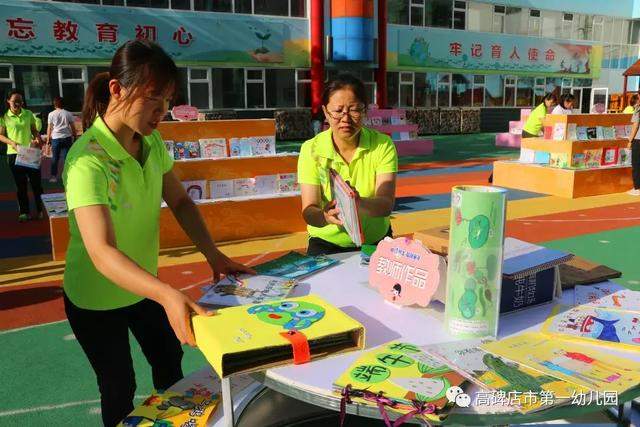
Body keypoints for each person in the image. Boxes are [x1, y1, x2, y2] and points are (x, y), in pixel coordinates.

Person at [62, 40, 254, 427]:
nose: (162, 112)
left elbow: (181, 202)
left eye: (167, 101)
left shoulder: (151, 142)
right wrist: (169, 294)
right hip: (95, 299)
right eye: (154, 99)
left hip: (143, 286)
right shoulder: (86, 161)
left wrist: (213, 255)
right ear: (116, 90)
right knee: (118, 385)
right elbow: (101, 253)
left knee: (169, 359)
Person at [297, 74, 397, 256]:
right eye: (337, 111)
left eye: (354, 110)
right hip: (326, 243)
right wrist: (324, 216)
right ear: (326, 112)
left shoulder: (383, 145)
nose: (346, 119)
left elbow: (385, 204)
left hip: (375, 241)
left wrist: (358, 203)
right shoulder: (311, 150)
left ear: (365, 111)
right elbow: (309, 210)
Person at [0, 90, 45, 222]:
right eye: (15, 101)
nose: (18, 103)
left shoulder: (28, 114)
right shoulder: (4, 117)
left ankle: (41, 210)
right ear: (8, 101)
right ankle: (24, 212)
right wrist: (12, 142)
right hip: (14, 154)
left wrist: (38, 139)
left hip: (30, 152)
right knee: (21, 185)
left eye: (20, 101)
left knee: (36, 184)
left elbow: (34, 131)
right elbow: (1, 135)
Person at [46, 96, 77, 183]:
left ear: (54, 104)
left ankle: (53, 177)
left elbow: (49, 128)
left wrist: (48, 139)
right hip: (67, 137)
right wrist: (75, 136)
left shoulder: (51, 114)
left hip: (55, 138)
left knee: (55, 158)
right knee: (67, 158)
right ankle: (68, 175)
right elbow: (72, 126)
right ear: (63, 104)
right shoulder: (68, 113)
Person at [627, 95, 640, 195]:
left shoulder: (638, 110)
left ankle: (637, 188)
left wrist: (630, 140)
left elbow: (635, 126)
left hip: (638, 140)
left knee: (636, 164)